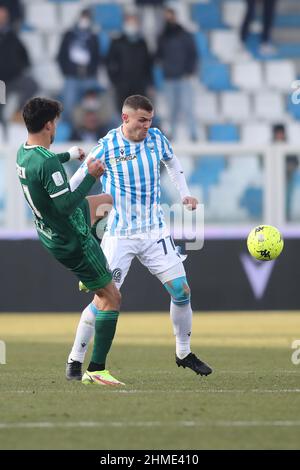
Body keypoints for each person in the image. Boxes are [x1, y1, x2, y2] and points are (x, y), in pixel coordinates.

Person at [70, 94, 213, 377]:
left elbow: (172, 163)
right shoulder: (108, 145)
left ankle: (183, 352)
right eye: (142, 120)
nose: (148, 126)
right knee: (103, 300)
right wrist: (65, 207)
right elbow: (77, 181)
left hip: (154, 231)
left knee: (181, 291)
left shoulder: (157, 138)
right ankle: (75, 359)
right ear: (125, 118)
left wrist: (185, 195)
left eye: (150, 120)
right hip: (120, 234)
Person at [16, 97, 124, 386]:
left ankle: (89, 275)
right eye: (56, 123)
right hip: (71, 236)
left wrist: (69, 154)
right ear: (49, 124)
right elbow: (65, 205)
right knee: (111, 298)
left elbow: (46, 165)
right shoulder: (48, 162)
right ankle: (97, 369)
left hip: (50, 230)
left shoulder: (23, 153)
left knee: (106, 202)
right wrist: (90, 176)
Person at [156, 6, 198, 141]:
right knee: (172, 109)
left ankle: (193, 134)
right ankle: (172, 135)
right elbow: (158, 55)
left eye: (170, 16)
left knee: (187, 108)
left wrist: (189, 71)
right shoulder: (163, 36)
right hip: (169, 78)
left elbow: (193, 54)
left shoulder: (184, 35)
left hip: (183, 77)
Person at [57, 9, 102, 123]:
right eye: (83, 17)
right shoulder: (69, 35)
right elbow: (61, 55)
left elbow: (97, 57)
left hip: (89, 77)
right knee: (68, 106)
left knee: (92, 106)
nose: (85, 20)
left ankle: (88, 130)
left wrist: (92, 72)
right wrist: (66, 71)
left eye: (87, 18)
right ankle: (70, 132)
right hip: (72, 77)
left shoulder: (93, 37)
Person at [106, 12, 153, 112]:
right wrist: (114, 79)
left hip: (139, 85)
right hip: (122, 84)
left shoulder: (142, 43)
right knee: (122, 111)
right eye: (129, 22)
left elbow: (147, 63)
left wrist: (148, 81)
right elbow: (109, 61)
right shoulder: (117, 41)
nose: (132, 25)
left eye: (134, 22)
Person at [0, 5, 37, 124]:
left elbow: (23, 53)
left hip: (14, 78)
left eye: (4, 17)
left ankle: (17, 112)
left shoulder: (12, 35)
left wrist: (23, 66)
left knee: (31, 85)